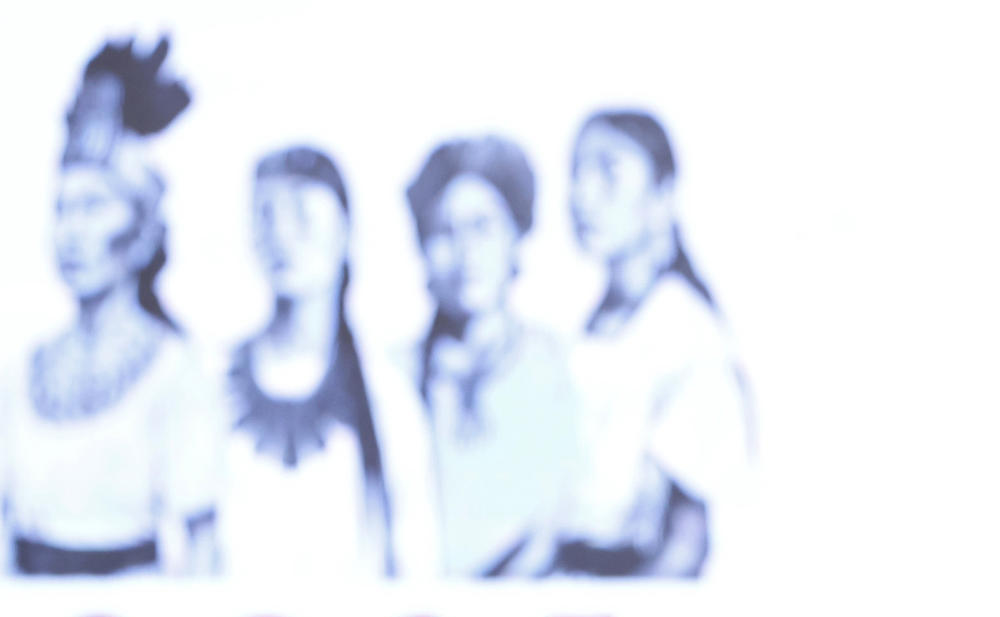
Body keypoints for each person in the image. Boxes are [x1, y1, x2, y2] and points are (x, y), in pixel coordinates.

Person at [0, 37, 220, 575]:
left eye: (93, 208)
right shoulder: (25, 369)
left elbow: (202, 550)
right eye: (63, 211)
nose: (73, 233)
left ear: (141, 229)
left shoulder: (175, 369)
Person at [220, 145, 438, 578]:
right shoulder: (211, 384)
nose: (282, 235)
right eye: (266, 215)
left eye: (302, 215)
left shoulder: (387, 398)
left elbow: (418, 562)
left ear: (345, 232)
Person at [557, 110, 751, 577]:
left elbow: (686, 541)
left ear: (662, 196)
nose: (584, 196)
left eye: (609, 174)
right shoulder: (595, 328)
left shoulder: (683, 331)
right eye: (577, 175)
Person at [405, 135, 581, 577]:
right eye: (444, 233)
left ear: (515, 238)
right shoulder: (393, 377)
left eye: (482, 227)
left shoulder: (562, 368)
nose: (465, 253)